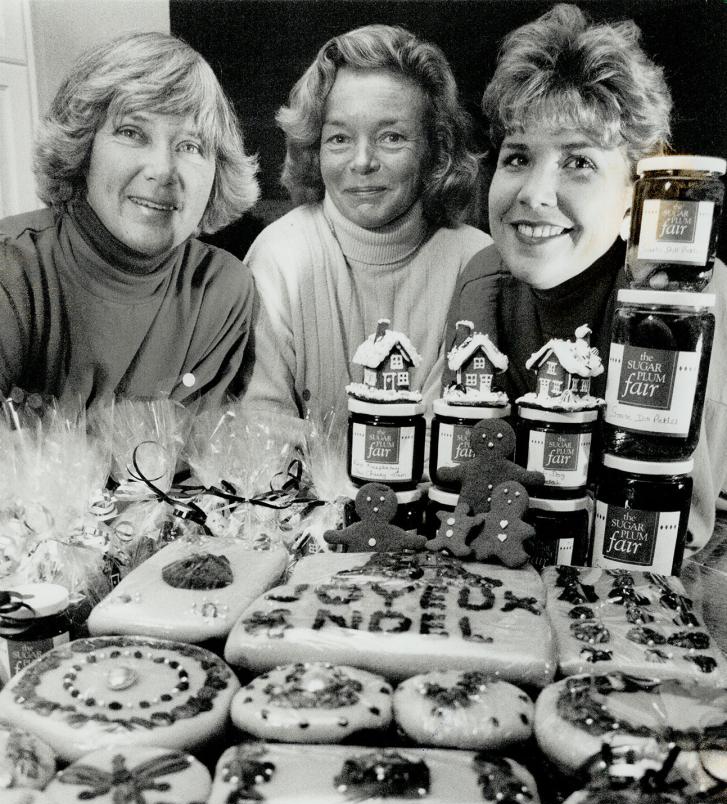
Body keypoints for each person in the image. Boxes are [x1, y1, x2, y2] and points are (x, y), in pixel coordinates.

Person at [446, 3, 727, 555]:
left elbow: (683, 524)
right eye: (518, 157)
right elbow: (463, 474)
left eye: (579, 163)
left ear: (634, 197)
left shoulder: (691, 297)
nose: (534, 193)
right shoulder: (483, 276)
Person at [241, 23, 490, 430]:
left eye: (391, 137)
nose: (362, 162)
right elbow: (260, 429)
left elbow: (459, 439)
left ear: (435, 149)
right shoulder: (279, 255)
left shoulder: (476, 264)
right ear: (313, 148)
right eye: (339, 138)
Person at [0, 31, 259, 411]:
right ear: (83, 149)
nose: (162, 170)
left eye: (190, 146)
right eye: (132, 133)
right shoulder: (12, 270)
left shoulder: (223, 292)